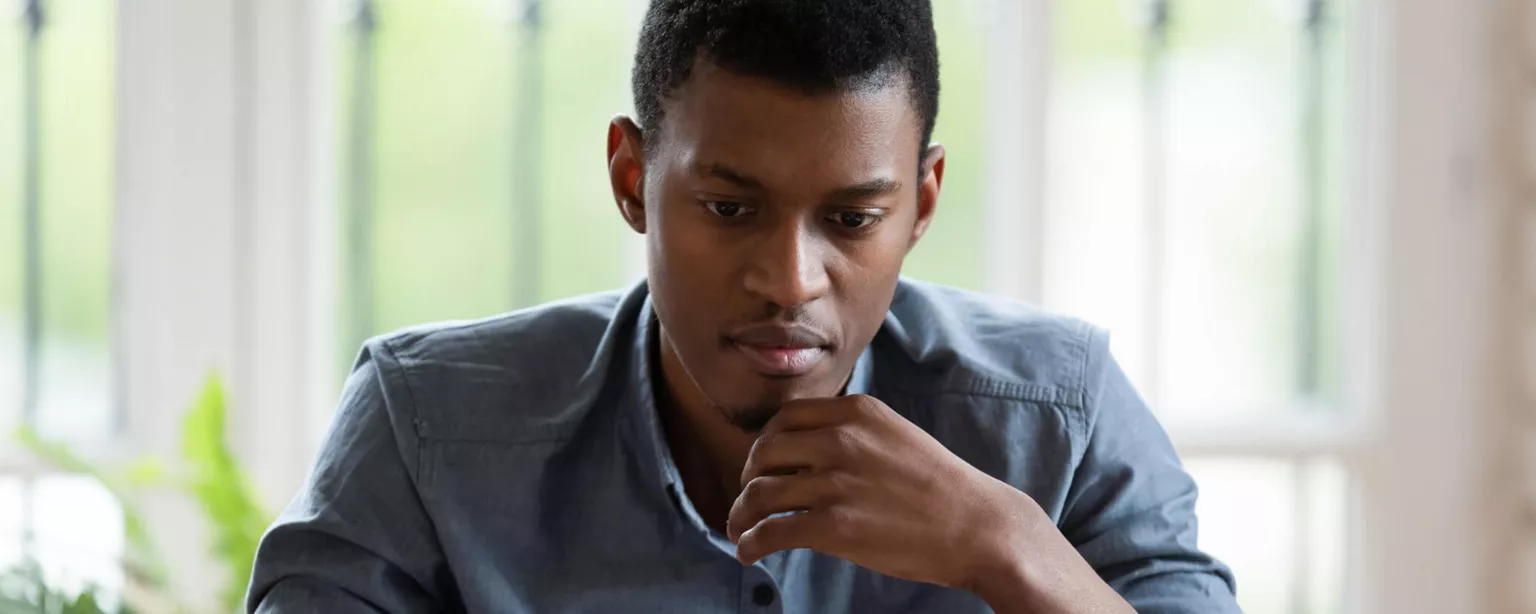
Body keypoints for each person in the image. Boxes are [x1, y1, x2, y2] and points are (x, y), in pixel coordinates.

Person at [246, 0, 1240, 612]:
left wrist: (1009, 548)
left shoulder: (1060, 421)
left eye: (853, 217)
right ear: (633, 178)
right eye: (730, 208)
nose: (790, 279)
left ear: (922, 202)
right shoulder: (427, 428)